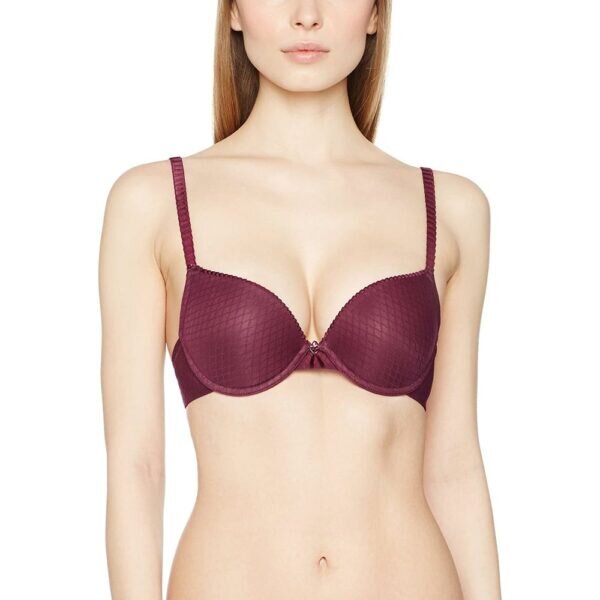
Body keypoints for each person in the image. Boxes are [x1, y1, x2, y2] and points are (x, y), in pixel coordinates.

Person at [99, 1, 500, 598]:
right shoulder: (152, 202)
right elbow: (138, 467)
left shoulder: (453, 209)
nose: (306, 15)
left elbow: (455, 466)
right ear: (234, 12)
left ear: (376, 14)